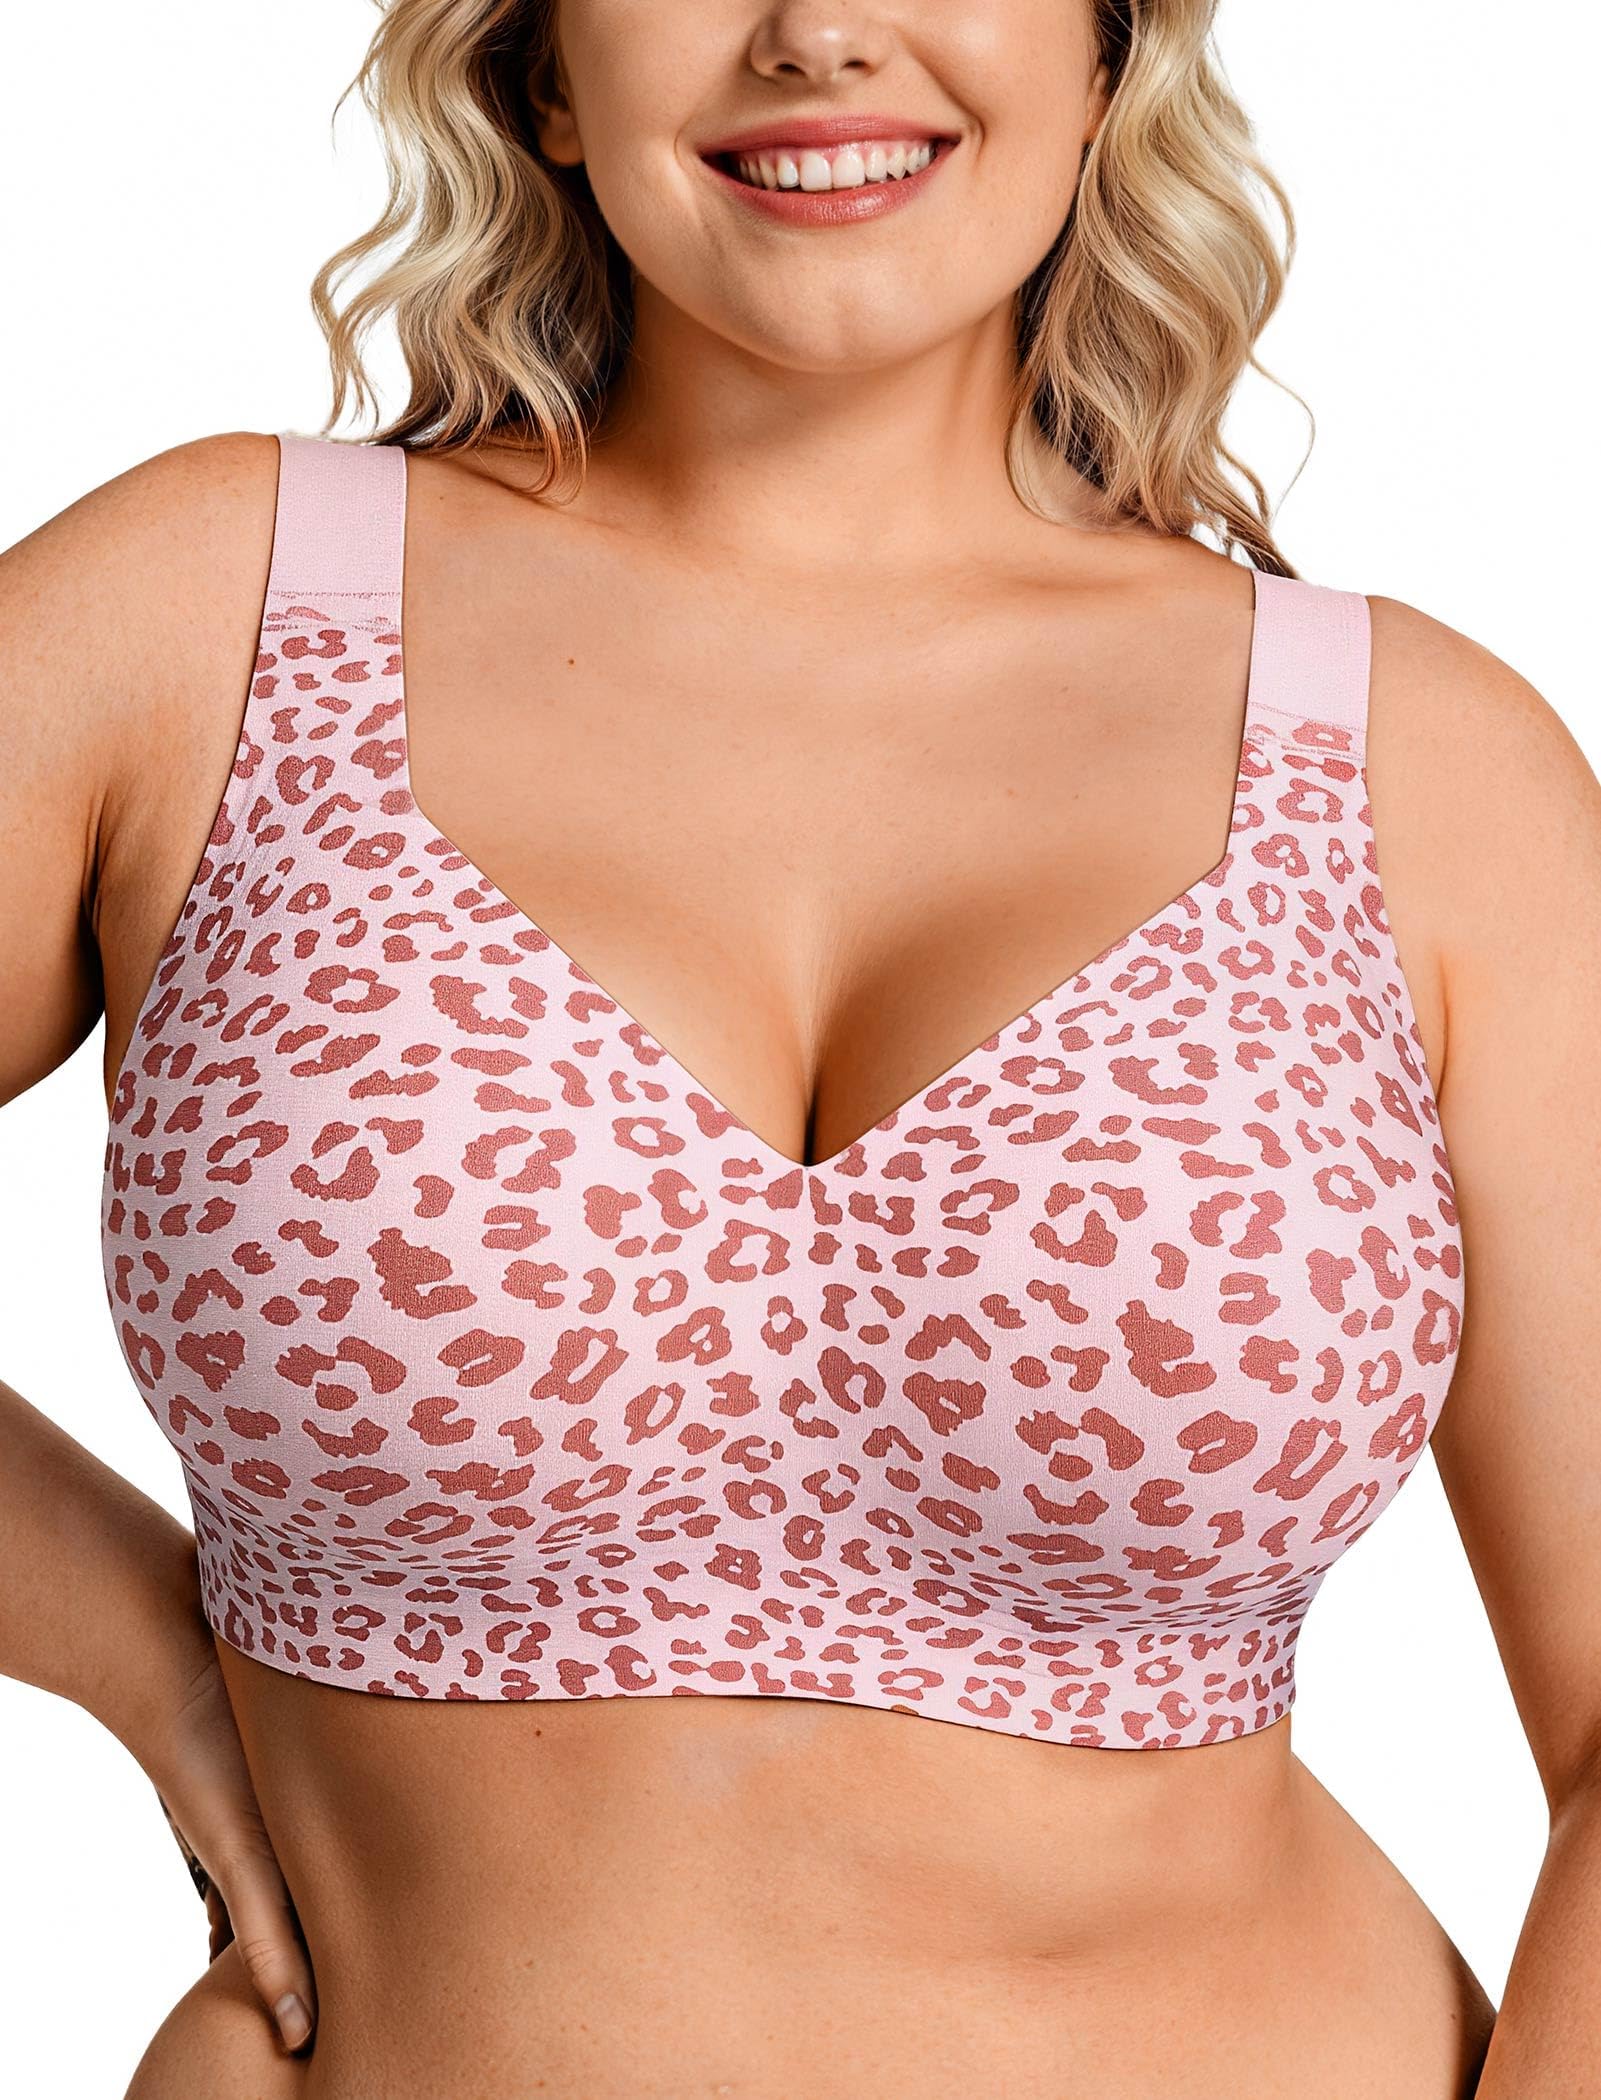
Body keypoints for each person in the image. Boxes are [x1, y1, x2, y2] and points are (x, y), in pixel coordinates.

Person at [3, 2, 1597, 2095]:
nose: (822, 31)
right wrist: (142, 1645)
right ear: (545, 72)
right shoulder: (210, 623)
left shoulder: (1422, 773)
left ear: (1105, 53)